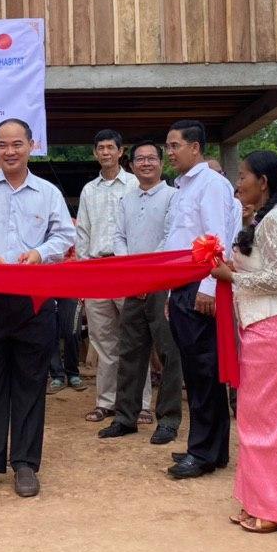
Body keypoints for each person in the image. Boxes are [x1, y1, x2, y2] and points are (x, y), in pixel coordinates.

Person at [0, 118, 75, 499]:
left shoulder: (48, 192)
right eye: (3, 145)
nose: (10, 151)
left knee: (29, 382)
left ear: (31, 145)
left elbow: (65, 235)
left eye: (17, 144)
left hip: (34, 298)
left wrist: (41, 253)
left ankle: (25, 464)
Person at [212, 150, 277, 532]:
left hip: (276, 325)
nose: (238, 183)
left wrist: (230, 277)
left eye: (242, 176)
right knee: (257, 419)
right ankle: (259, 499)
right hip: (258, 326)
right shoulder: (258, 218)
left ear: (263, 182)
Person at [162, 120, 241, 480]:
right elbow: (176, 238)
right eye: (169, 146)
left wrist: (210, 287)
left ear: (196, 148)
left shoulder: (210, 184)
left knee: (204, 370)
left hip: (201, 286)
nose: (170, 152)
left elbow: (216, 237)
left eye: (175, 145)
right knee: (196, 371)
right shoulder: (183, 187)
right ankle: (211, 446)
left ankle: (203, 451)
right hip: (182, 285)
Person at [99, 138, 181, 444]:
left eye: (151, 158)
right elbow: (118, 237)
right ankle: (125, 417)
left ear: (161, 163)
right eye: (140, 159)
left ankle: (169, 420)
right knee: (130, 352)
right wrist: (133, 271)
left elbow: (171, 237)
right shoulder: (126, 199)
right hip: (134, 284)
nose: (146, 163)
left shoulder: (174, 197)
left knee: (169, 353)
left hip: (163, 285)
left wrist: (150, 275)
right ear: (131, 166)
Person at [76, 129, 143, 424]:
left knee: (135, 338)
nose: (105, 152)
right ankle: (106, 401)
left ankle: (140, 403)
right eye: (100, 148)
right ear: (95, 153)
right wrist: (82, 270)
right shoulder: (89, 189)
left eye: (110, 148)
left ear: (120, 151)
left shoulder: (134, 184)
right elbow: (82, 232)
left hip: (127, 268)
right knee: (103, 340)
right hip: (96, 269)